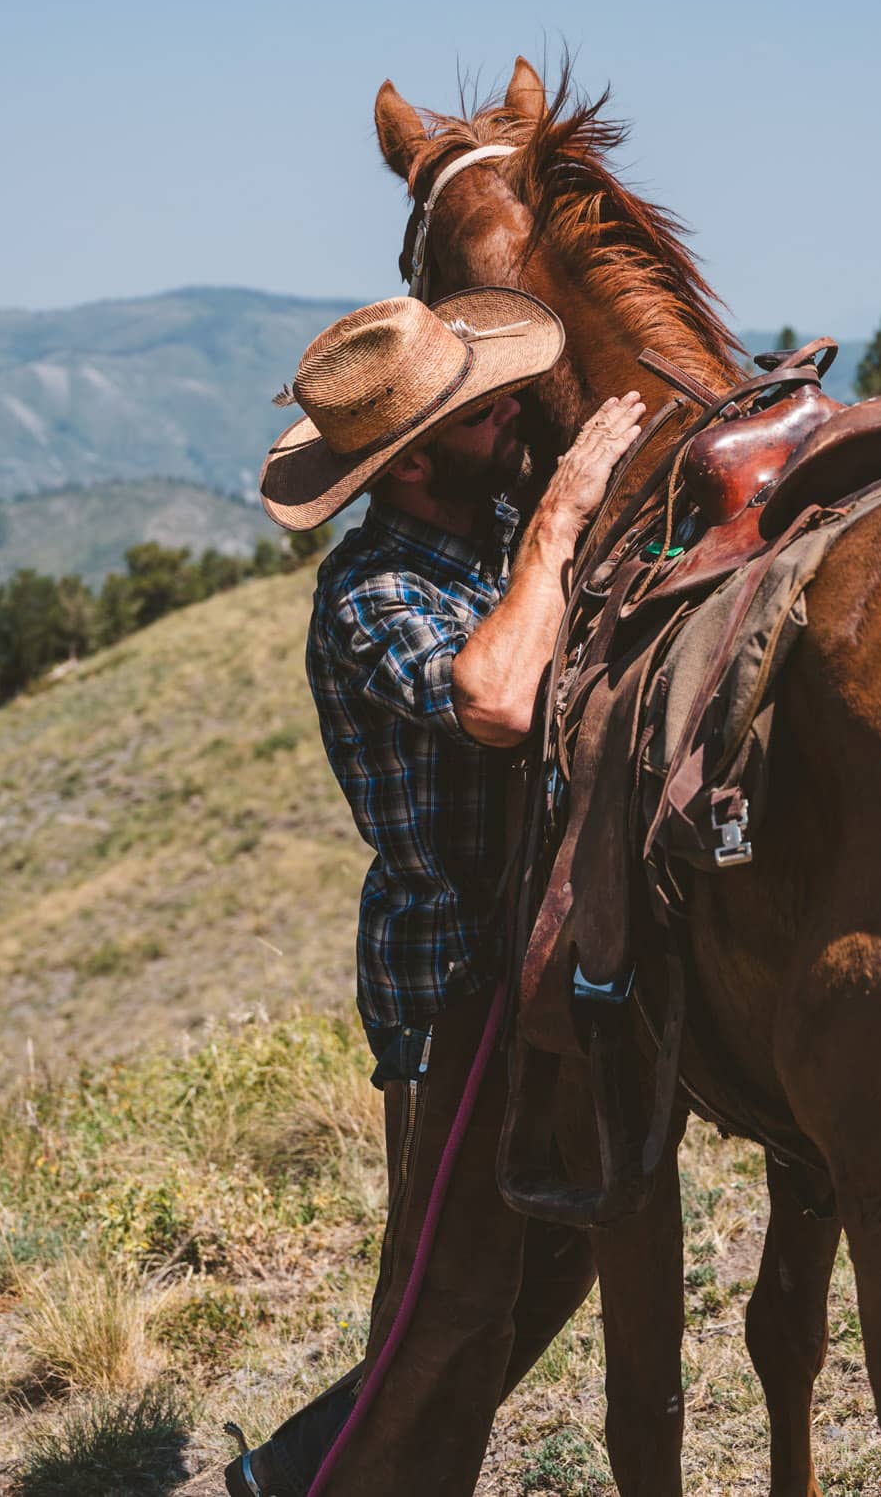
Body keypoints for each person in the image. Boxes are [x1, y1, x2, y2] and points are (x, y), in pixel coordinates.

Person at [227, 288, 647, 1497]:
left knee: (547, 1263)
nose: (507, 415)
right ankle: (332, 1480)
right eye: (474, 417)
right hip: (453, 978)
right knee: (450, 1293)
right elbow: (500, 702)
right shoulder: (373, 594)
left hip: (532, 956)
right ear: (408, 468)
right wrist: (562, 515)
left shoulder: (484, 528)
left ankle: (315, 1465)